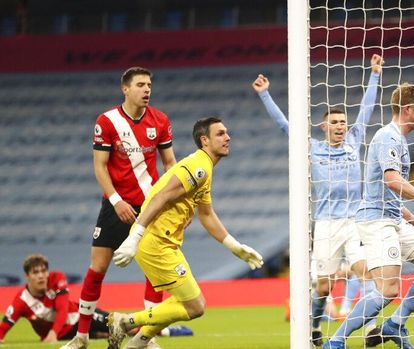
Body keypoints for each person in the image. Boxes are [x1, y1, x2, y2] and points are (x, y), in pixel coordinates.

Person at [252, 54, 383, 346]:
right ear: (324, 127)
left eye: (343, 122)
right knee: (324, 287)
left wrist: (374, 74)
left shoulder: (353, 141)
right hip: (325, 225)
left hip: (355, 222)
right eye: (334, 122)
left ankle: (372, 328)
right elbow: (286, 126)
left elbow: (367, 108)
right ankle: (313, 327)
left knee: (365, 274)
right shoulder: (312, 148)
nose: (340, 126)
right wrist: (265, 95)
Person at [107, 117, 264, 349]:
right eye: (220, 134)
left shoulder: (205, 168)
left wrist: (235, 246)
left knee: (189, 303)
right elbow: (161, 196)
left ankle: (137, 343)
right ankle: (126, 322)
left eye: (227, 133)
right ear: (205, 141)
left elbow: (206, 215)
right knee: (195, 306)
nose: (228, 137)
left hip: (166, 243)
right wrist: (135, 237)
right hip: (155, 243)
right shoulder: (198, 167)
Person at [323, 83, 414, 349]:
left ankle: (394, 324)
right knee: (388, 290)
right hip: (376, 221)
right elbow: (392, 181)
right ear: (408, 109)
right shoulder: (388, 138)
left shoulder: (399, 141)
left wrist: (408, 216)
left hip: (393, 219)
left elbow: (385, 189)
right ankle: (335, 341)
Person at [62, 67, 177, 349]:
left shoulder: (160, 120)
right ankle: (81, 337)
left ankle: (145, 337)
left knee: (155, 271)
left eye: (149, 84)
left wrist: (171, 202)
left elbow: (170, 163)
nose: (147, 89)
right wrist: (116, 201)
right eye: (140, 85)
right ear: (125, 89)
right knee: (97, 268)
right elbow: (100, 166)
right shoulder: (108, 121)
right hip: (115, 205)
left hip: (149, 206)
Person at [0, 254, 192, 345]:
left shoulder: (57, 278)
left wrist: (52, 334)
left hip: (82, 317)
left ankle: (168, 330)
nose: (41, 276)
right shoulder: (21, 301)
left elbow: (63, 308)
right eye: (36, 273)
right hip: (64, 333)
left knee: (126, 328)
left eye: (43, 271)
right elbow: (5, 326)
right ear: (27, 277)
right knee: (108, 337)